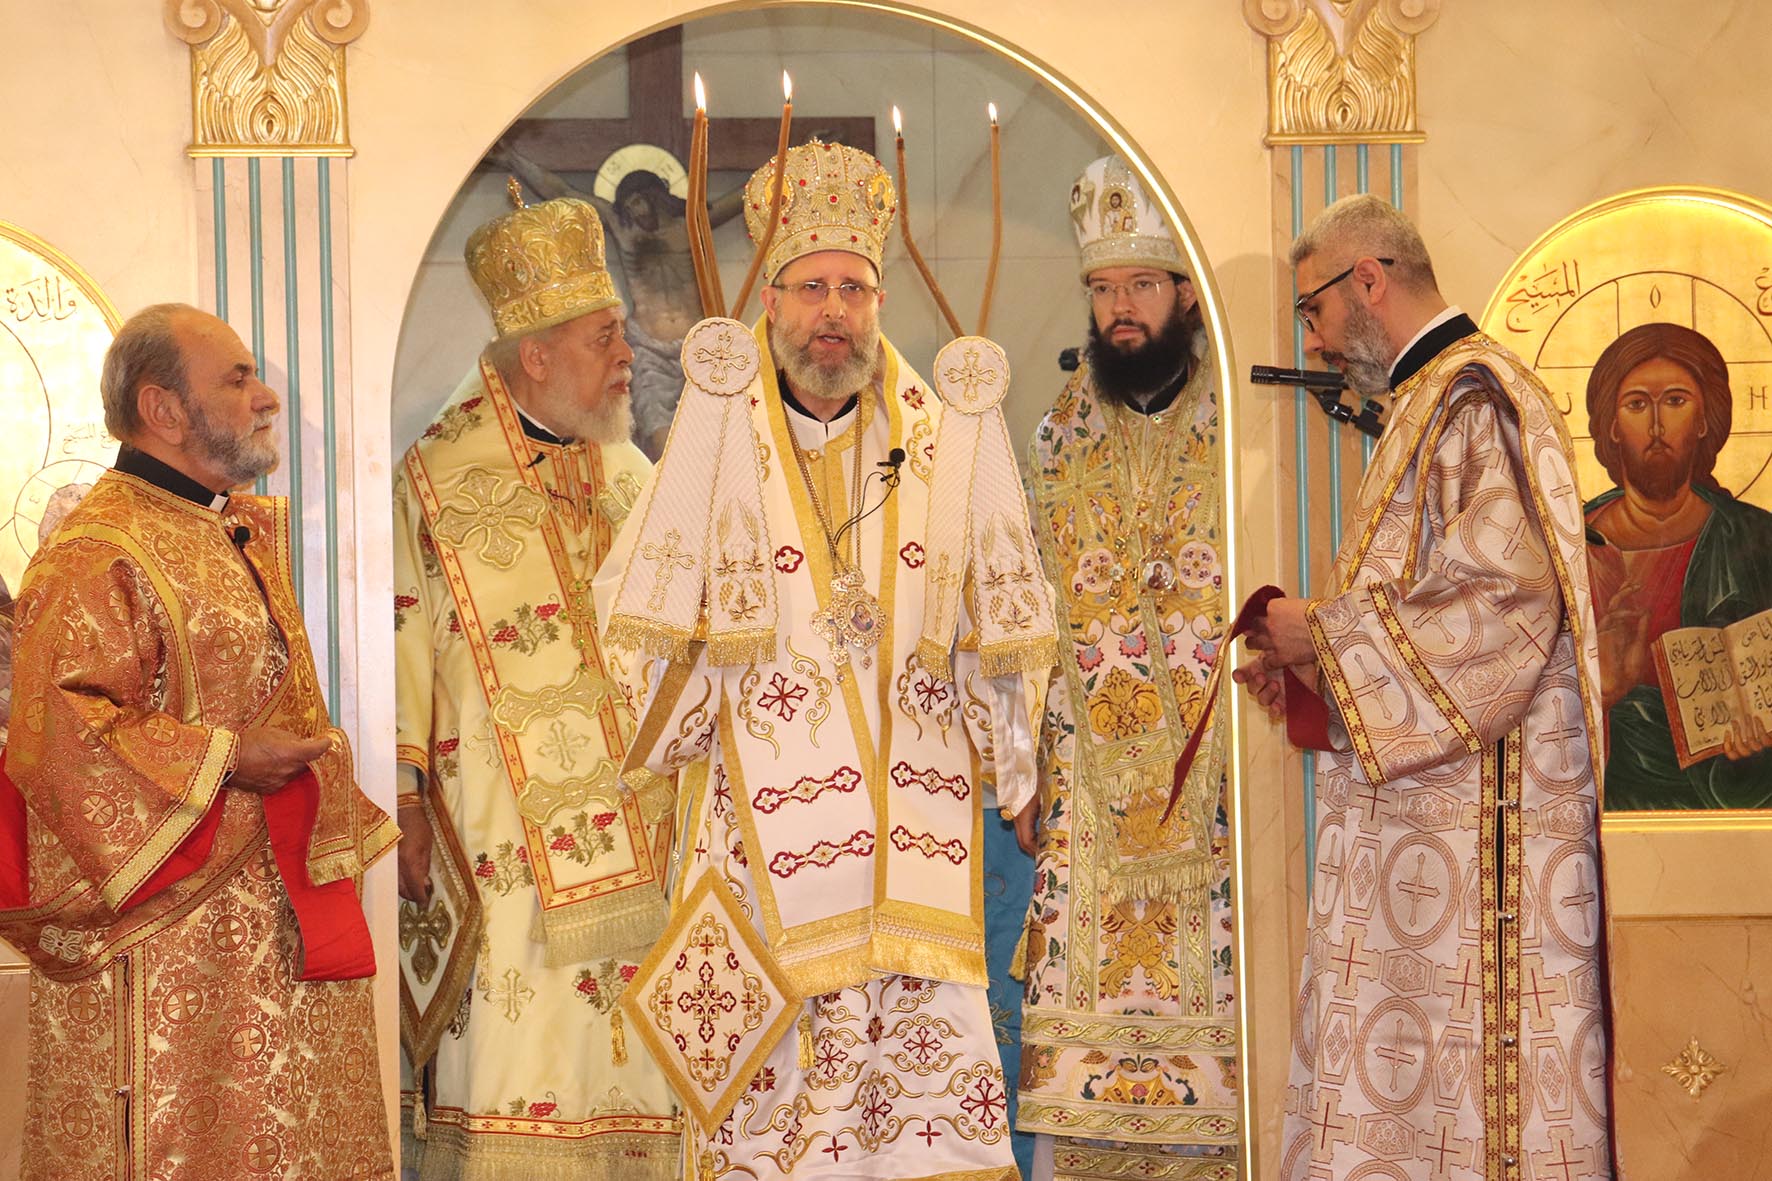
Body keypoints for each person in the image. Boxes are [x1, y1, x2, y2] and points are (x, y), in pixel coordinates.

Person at [599, 139, 1056, 1180]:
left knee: (923, 1127)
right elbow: (634, 621)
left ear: (880, 301)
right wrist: (709, 640)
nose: (833, 312)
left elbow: (1008, 618)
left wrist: (1013, 747)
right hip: (766, 850)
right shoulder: (717, 443)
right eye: (811, 288)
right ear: (769, 302)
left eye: (854, 288)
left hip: (911, 852)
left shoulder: (942, 442)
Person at [1234, 195, 1614, 1177]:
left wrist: (1323, 634)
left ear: (1368, 278)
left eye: (1312, 309)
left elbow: (1501, 604)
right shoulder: (1430, 400)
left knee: (1465, 1103)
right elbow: (1426, 607)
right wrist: (1313, 671)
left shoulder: (1473, 399)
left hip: (1480, 845)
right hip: (1430, 827)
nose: (1312, 340)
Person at [0, 303, 398, 1179]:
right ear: (164, 409)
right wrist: (228, 758)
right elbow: (58, 737)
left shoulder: (226, 528)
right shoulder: (93, 552)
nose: (266, 397)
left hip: (271, 917)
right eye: (238, 378)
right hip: (165, 941)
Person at [392, 186, 679, 1178]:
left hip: (645, 837)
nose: (627, 355)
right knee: (518, 1057)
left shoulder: (630, 471)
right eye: (605, 337)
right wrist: (405, 801)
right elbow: (400, 637)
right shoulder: (435, 479)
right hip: (500, 838)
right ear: (537, 356)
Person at [1017, 156, 1239, 1178]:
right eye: (1103, 288)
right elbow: (1023, 611)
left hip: (1220, 793)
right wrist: (1021, 761)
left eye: (1140, 285)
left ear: (1185, 293)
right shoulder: (1054, 440)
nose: (1119, 309)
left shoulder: (1241, 430)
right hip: (1089, 806)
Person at [1583, 322, 1772, 809]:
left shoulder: (1758, 540)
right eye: (1636, 404)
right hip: (1596, 807)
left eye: (1675, 401)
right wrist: (1600, 692)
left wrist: (1752, 751)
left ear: (1705, 419)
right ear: (1610, 424)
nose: (1656, 426)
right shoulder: (1569, 545)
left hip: (1724, 812)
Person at [492, 138, 746, 459]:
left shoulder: (691, 222)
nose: (635, 211)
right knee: (659, 440)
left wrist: (791, 160)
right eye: (629, 205)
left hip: (699, 345)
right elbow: (564, 192)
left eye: (640, 201)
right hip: (648, 348)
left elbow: (742, 197)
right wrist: (513, 158)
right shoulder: (621, 226)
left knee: (716, 436)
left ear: (656, 196)